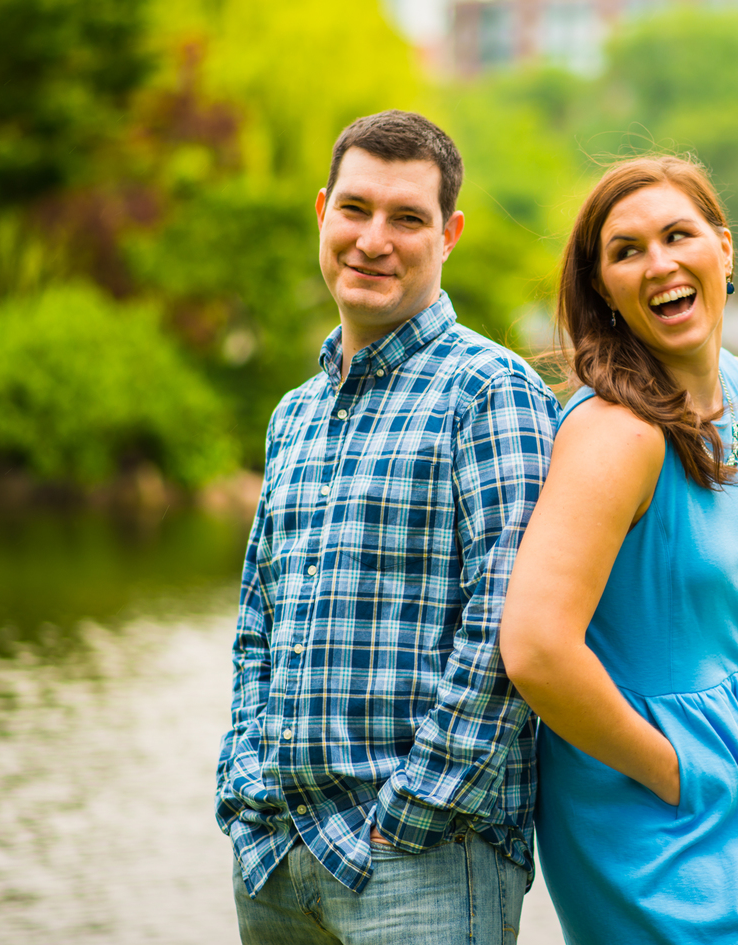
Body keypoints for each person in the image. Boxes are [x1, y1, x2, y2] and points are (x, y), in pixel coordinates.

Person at [215, 110, 559, 945]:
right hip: (276, 853)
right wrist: (243, 783)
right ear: (323, 211)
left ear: (450, 234)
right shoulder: (293, 413)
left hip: (424, 861)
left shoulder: (491, 393)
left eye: (407, 218)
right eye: (356, 210)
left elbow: (505, 630)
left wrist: (411, 813)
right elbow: (260, 618)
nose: (374, 239)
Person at [500, 156, 738, 944]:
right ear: (604, 288)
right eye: (627, 250)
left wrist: (733, 764)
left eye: (679, 235)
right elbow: (535, 647)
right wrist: (675, 768)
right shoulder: (615, 435)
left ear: (725, 250)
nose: (660, 263)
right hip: (646, 788)